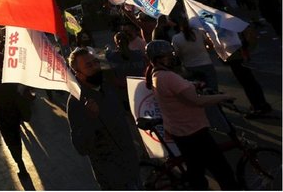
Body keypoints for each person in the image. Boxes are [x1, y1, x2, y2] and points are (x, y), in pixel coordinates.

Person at [145, 40, 239, 190]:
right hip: (193, 131)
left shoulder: (156, 74)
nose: (172, 57)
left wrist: (191, 85)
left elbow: (179, 91)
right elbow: (197, 101)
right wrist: (224, 97)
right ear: (158, 59)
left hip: (180, 131)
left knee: (196, 171)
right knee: (223, 172)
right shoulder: (169, 77)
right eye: (169, 55)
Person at [67, 47, 141, 190]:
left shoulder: (107, 86)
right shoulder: (76, 102)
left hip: (131, 165)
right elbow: (81, 147)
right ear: (78, 74)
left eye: (96, 62)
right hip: (112, 176)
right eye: (89, 65)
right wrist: (92, 118)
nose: (96, 67)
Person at [0, 68, 29, 178]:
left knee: (10, 143)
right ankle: (20, 161)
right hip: (15, 119)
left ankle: (20, 164)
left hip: (3, 122)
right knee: (17, 139)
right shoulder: (10, 86)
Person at [171, 18, 219, 92]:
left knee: (197, 90)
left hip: (189, 67)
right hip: (206, 64)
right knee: (212, 89)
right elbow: (210, 45)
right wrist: (205, 51)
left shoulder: (176, 38)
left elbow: (177, 54)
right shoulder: (199, 32)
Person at [105, 31, 147, 97]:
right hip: (140, 88)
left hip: (123, 91)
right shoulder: (138, 54)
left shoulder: (112, 56)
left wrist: (108, 48)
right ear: (128, 41)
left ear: (116, 43)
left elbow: (107, 54)